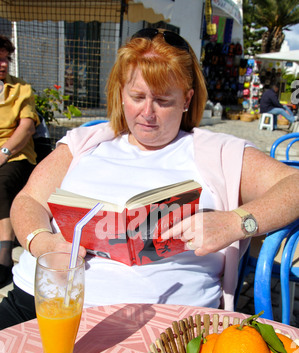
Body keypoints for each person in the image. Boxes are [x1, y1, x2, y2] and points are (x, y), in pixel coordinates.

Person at [0, 28, 299, 330]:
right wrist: (42, 243)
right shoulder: (85, 143)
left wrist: (236, 222)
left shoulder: (218, 152)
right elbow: (28, 200)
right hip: (39, 304)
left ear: (187, 99)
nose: (147, 113)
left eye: (163, 100)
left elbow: (294, 185)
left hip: (158, 328)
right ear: (121, 93)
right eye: (137, 96)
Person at [0, 35, 40, 288]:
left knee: (0, 183)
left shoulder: (21, 89)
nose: (3, 64)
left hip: (16, 155)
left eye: (5, 58)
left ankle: (3, 260)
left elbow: (26, 128)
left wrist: (3, 153)